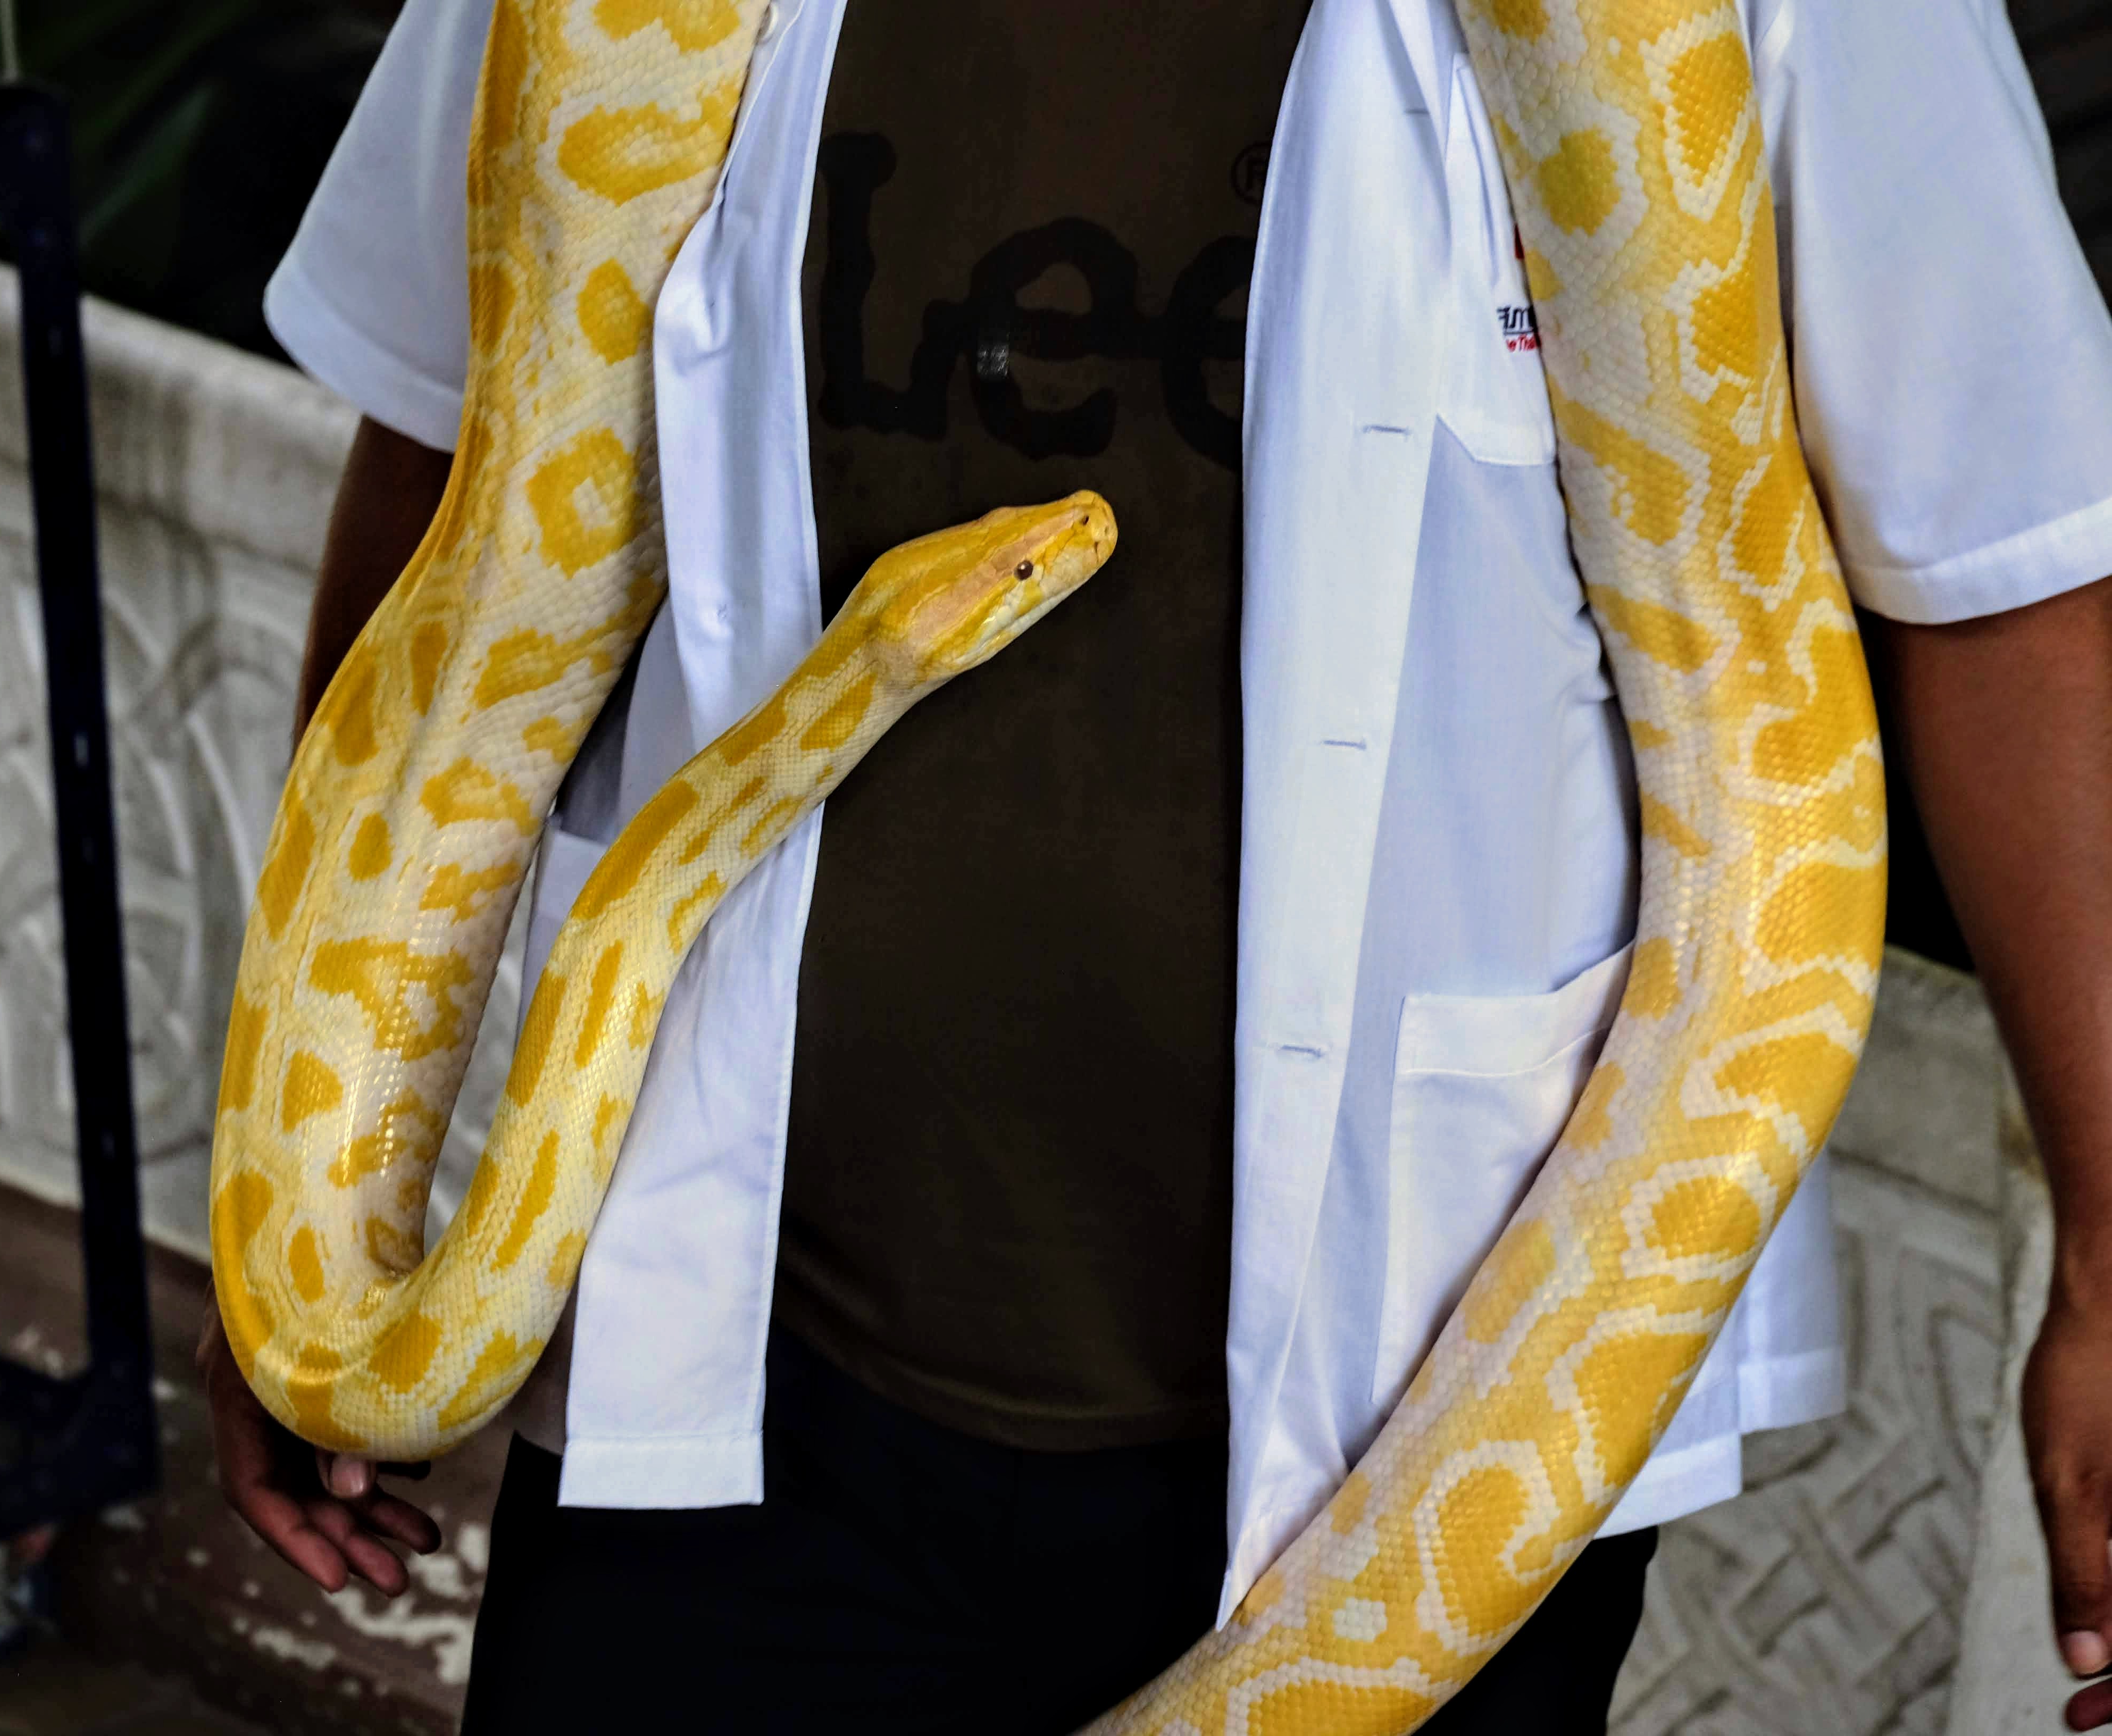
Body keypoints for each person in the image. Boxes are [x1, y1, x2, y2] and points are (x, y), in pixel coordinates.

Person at [197, 0, 2112, 1728]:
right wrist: (312, 1224)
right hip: (727, 1357)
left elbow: (2002, 579)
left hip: (1423, 1380)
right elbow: (457, 488)